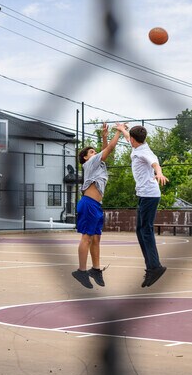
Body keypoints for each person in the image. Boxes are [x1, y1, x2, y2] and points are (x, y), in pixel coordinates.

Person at [72, 122, 126, 288]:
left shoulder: (98, 164)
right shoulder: (89, 163)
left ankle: (95, 269)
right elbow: (108, 149)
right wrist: (118, 132)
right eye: (91, 152)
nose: (94, 152)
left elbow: (104, 151)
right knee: (87, 238)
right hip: (88, 204)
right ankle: (81, 271)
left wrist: (104, 136)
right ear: (86, 158)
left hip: (95, 205)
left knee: (96, 239)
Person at [119, 124, 169, 287]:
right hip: (144, 194)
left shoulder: (145, 152)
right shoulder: (137, 144)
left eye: (130, 139)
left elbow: (155, 163)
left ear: (134, 140)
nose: (129, 140)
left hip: (149, 195)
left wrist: (159, 173)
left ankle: (155, 267)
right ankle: (152, 267)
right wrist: (122, 129)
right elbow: (128, 136)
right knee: (140, 231)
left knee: (145, 231)